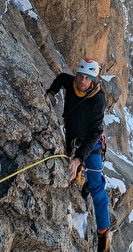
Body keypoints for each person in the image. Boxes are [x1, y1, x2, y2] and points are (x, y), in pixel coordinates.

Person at [46, 58, 110, 252]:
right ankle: (84, 180)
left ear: (93, 79)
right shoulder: (71, 82)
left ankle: (103, 237)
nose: (82, 81)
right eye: (80, 76)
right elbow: (60, 79)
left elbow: (95, 132)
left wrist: (79, 158)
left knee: (98, 188)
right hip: (72, 138)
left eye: (87, 78)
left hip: (91, 143)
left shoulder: (98, 98)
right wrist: (51, 92)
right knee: (73, 170)